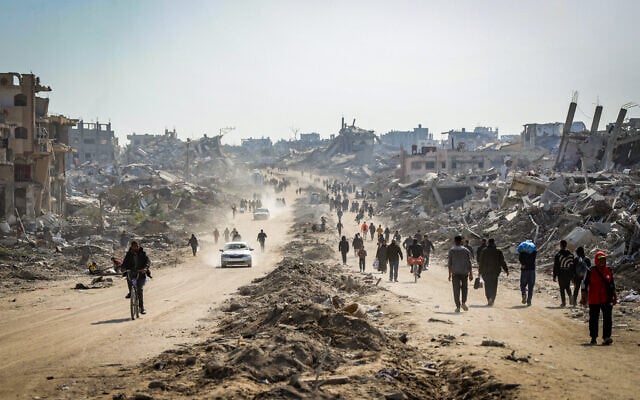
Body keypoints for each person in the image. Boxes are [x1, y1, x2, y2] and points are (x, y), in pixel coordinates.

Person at [580, 251, 616, 345]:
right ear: (596, 260)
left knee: (608, 319)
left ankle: (606, 337)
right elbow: (584, 284)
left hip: (606, 299)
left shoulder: (608, 270)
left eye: (603, 259)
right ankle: (593, 337)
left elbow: (612, 284)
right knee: (593, 319)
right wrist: (583, 297)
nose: (602, 261)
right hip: (594, 299)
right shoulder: (590, 271)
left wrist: (614, 297)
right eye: (600, 259)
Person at [121, 241, 151, 314]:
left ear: (138, 246)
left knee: (140, 289)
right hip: (132, 273)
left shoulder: (142, 253)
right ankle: (131, 292)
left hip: (141, 274)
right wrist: (123, 268)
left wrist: (145, 269)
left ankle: (141, 308)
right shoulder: (129, 254)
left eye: (136, 246)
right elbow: (124, 263)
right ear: (131, 247)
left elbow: (148, 262)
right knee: (130, 281)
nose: (135, 248)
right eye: (133, 246)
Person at [478, 238, 509, 306]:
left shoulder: (484, 251)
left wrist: (479, 272)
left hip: (485, 272)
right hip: (495, 272)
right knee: (494, 286)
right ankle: (492, 298)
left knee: (487, 286)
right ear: (494, 243)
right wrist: (506, 270)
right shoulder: (498, 251)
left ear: (488, 243)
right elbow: (502, 262)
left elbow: (481, 262)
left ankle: (489, 298)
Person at [448, 235, 473, 312]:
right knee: (465, 288)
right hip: (464, 272)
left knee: (456, 289)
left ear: (455, 241)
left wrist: (449, 274)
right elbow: (469, 263)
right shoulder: (466, 250)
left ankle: (458, 306)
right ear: (461, 241)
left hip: (455, 273)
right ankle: (463, 302)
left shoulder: (452, 250)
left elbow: (450, 264)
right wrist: (471, 274)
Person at [553, 240, 575, 307]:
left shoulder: (558, 255)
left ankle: (564, 302)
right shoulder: (571, 255)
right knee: (567, 286)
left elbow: (556, 266)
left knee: (562, 288)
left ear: (561, 245)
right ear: (566, 245)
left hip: (561, 272)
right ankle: (570, 296)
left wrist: (554, 275)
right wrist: (572, 276)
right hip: (568, 272)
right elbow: (572, 266)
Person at [518, 242, 537, 306]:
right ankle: (529, 301)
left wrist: (523, 264)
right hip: (532, 270)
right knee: (531, 286)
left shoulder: (522, 253)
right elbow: (534, 259)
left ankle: (524, 294)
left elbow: (520, 259)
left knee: (522, 285)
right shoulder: (534, 252)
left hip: (524, 270)